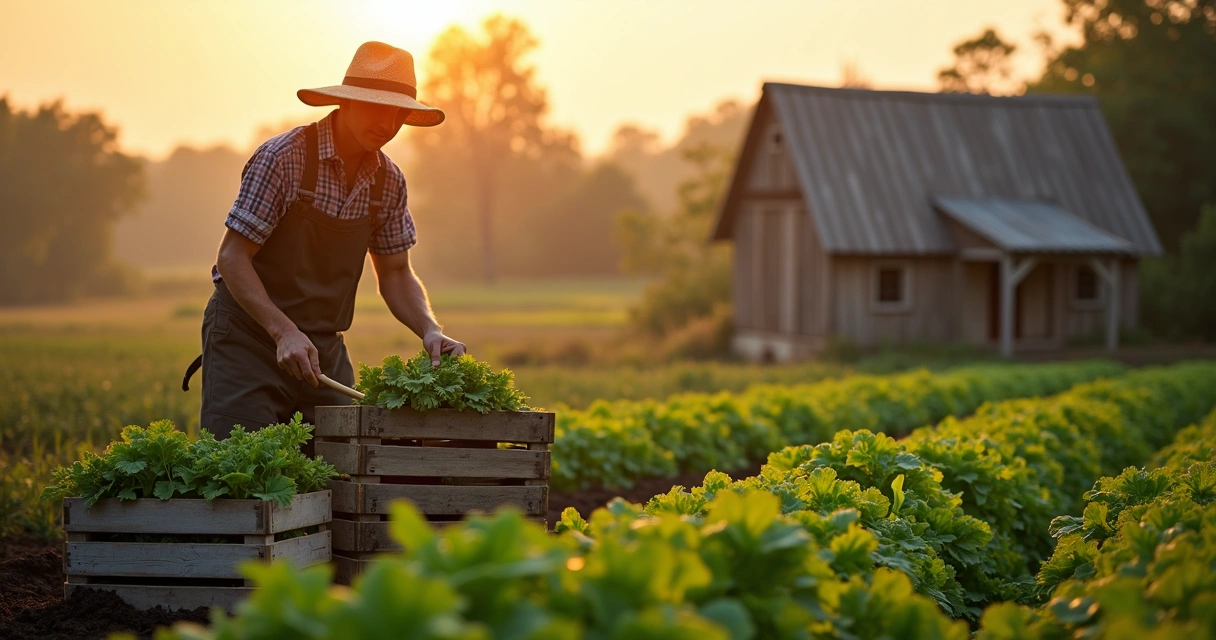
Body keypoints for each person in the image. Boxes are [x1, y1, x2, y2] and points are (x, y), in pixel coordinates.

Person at [182, 41, 465, 441]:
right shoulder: (285, 158)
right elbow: (232, 258)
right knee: (242, 473)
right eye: (376, 108)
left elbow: (397, 272)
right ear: (346, 103)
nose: (387, 124)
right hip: (249, 339)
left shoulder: (388, 181)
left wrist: (430, 329)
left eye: (398, 114)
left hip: (323, 350)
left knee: (345, 468)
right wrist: (283, 332)